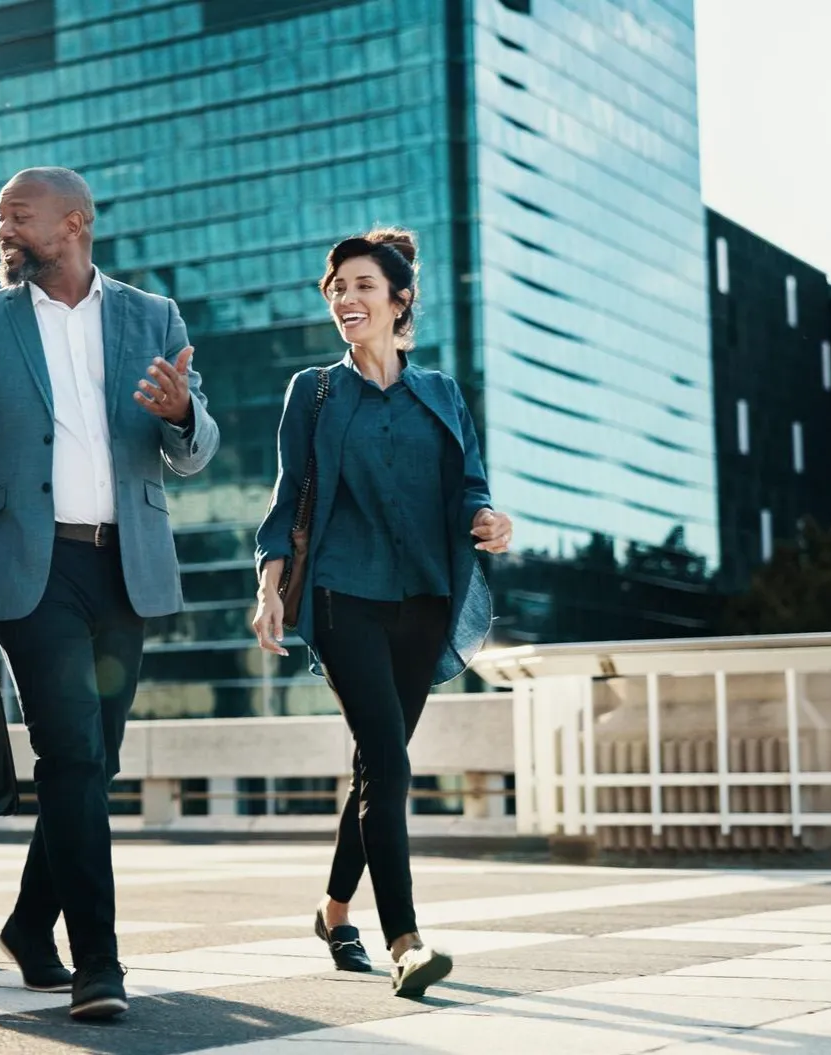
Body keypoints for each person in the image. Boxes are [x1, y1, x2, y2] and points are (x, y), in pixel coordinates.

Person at [0, 167, 219, 1020]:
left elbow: (192, 451)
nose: (4, 229)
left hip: (124, 565)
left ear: (74, 222)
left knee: (96, 760)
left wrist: (180, 414)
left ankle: (28, 924)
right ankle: (98, 961)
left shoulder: (152, 316)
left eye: (19, 215)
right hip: (33, 567)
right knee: (72, 757)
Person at [249, 228, 512, 1000]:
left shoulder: (442, 393)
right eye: (336, 288)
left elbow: (470, 487)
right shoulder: (314, 392)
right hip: (342, 596)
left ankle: (333, 912)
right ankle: (406, 940)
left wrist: (487, 518)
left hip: (424, 598)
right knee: (390, 763)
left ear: (399, 301)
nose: (345, 299)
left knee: (376, 762)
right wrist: (269, 587)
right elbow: (286, 499)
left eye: (361, 285)